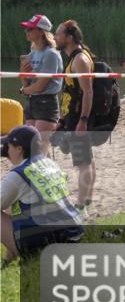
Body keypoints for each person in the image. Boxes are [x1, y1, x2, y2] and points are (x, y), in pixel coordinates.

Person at [2, 125, 84, 261]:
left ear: (19, 149)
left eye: (8, 146)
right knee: (15, 207)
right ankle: (7, 260)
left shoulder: (18, 175)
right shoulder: (50, 164)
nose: (6, 150)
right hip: (74, 234)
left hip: (48, 243)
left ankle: (23, 255)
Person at [52, 21, 98, 213]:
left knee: (83, 163)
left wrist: (83, 121)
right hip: (73, 116)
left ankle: (80, 205)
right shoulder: (73, 58)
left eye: (58, 34)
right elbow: (71, 91)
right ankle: (87, 200)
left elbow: (88, 92)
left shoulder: (79, 59)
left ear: (69, 38)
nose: (55, 38)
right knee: (87, 160)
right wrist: (62, 120)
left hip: (79, 117)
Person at [17, 15, 63, 155]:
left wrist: (24, 90)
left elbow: (41, 86)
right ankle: (48, 175)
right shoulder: (32, 53)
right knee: (33, 148)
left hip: (46, 102)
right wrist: (24, 75)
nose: (27, 32)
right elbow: (27, 82)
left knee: (41, 149)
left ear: (42, 31)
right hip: (32, 101)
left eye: (30, 29)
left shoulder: (51, 54)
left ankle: (52, 175)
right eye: (26, 29)